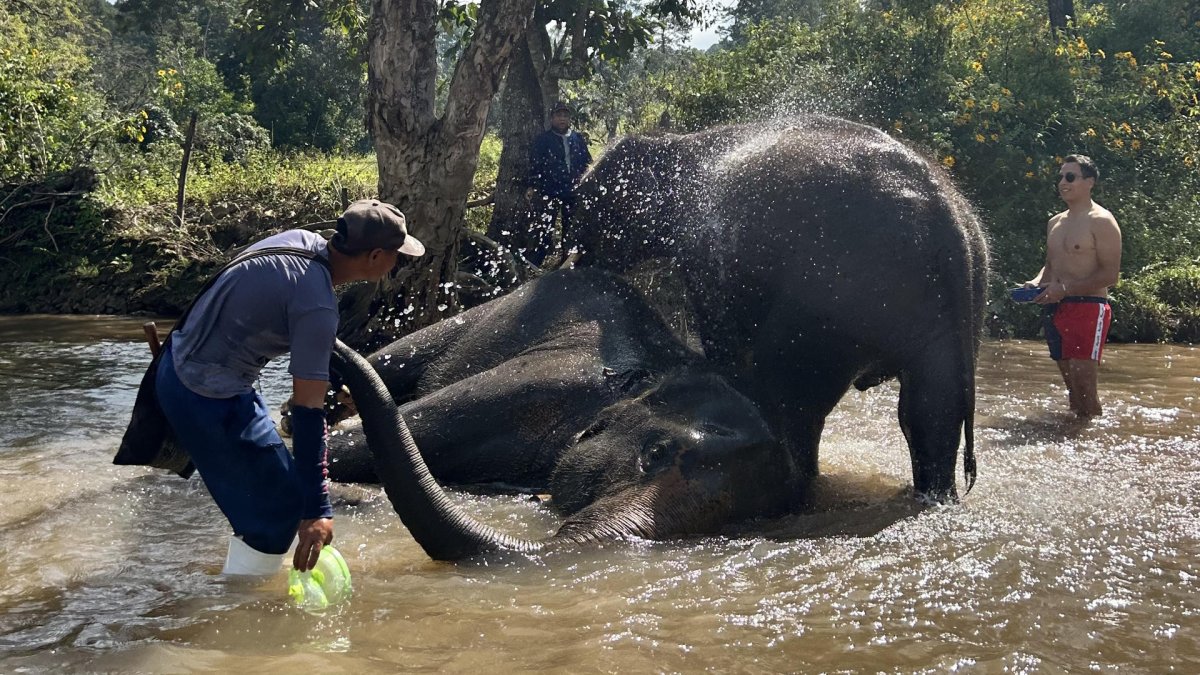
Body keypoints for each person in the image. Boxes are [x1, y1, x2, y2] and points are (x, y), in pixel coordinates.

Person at [155, 199, 424, 575]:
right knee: (279, 515)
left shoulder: (298, 241)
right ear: (376, 256)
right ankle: (244, 609)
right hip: (204, 394)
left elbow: (276, 305)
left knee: (277, 498)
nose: (398, 262)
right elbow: (308, 409)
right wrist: (317, 509)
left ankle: (243, 580)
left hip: (177, 363)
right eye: (396, 255)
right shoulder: (317, 305)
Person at [1023, 154, 1122, 417]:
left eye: (1070, 177)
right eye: (1060, 177)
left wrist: (1065, 289)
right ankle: (1075, 437)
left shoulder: (1102, 220)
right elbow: (1050, 264)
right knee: (1071, 386)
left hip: (1089, 307)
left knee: (1085, 385)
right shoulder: (1054, 222)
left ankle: (1095, 443)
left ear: (1089, 182)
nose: (1062, 182)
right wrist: (1035, 284)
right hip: (1056, 307)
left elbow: (1111, 275)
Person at [525, 100, 592, 265]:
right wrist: (533, 185)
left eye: (565, 115)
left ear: (569, 119)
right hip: (550, 190)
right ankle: (535, 263)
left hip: (573, 191)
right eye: (558, 115)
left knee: (570, 229)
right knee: (545, 228)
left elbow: (587, 162)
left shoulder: (577, 139)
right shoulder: (543, 140)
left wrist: (588, 183)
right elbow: (536, 163)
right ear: (552, 118)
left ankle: (567, 263)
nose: (562, 119)